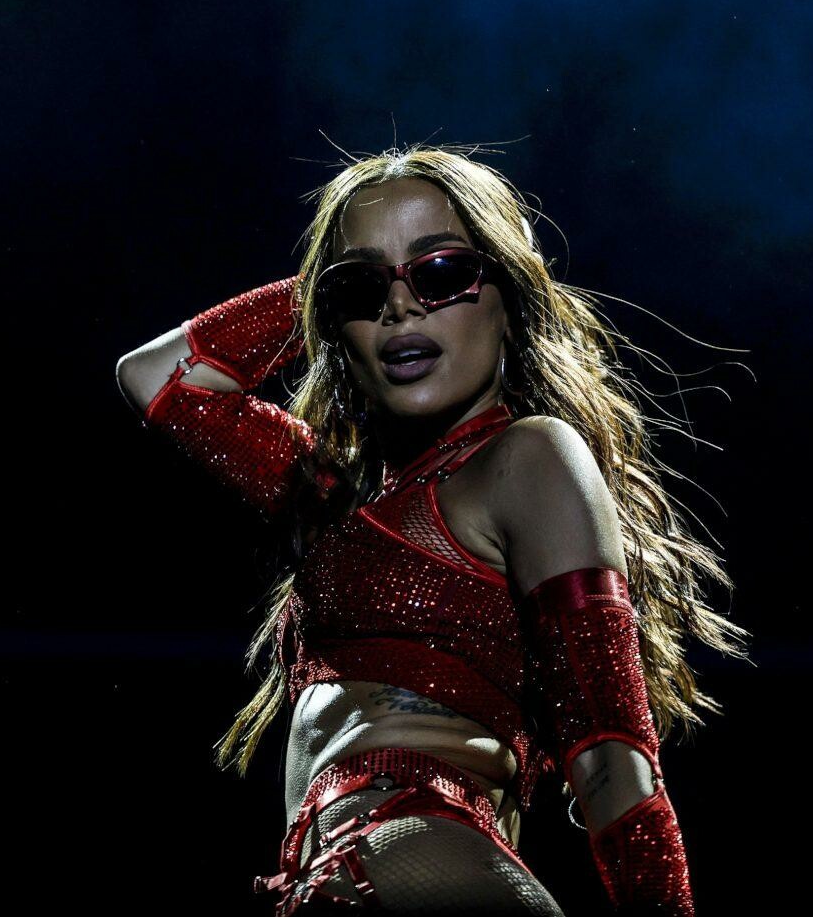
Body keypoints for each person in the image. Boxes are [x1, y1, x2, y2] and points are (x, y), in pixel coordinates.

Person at [115, 145, 747, 914]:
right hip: (332, 871)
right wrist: (332, 287)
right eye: (363, 287)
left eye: (443, 274)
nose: (401, 308)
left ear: (509, 296)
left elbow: (615, 766)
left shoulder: (530, 457)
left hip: (425, 849)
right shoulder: (332, 493)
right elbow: (160, 377)